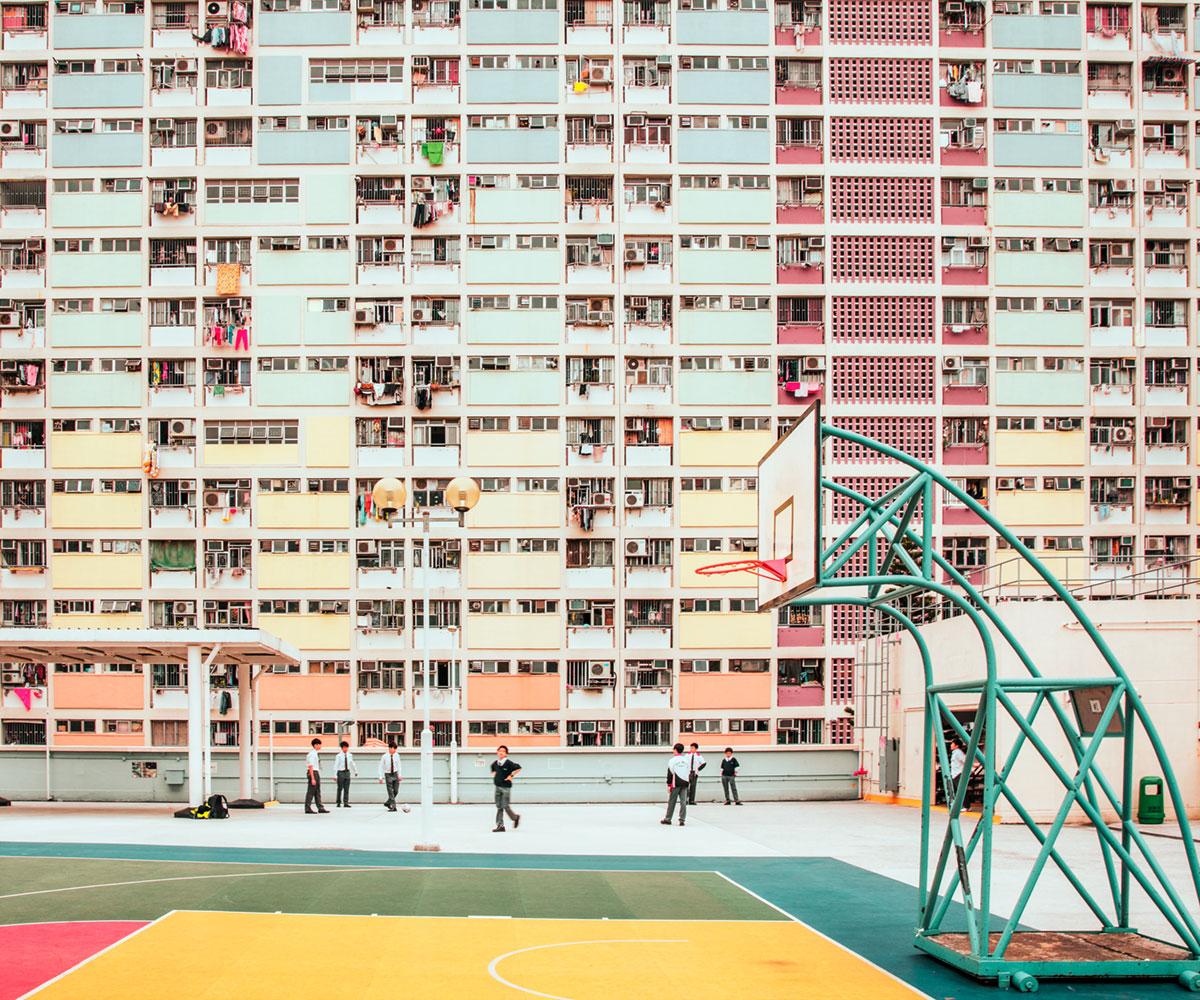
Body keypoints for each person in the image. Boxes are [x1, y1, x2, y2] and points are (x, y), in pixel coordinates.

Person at [490, 745, 521, 832]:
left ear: (506, 754)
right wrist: (496, 776)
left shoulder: (509, 763)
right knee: (499, 807)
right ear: (497, 752)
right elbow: (493, 771)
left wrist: (511, 775)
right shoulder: (495, 763)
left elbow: (519, 768)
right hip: (497, 787)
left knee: (505, 806)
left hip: (506, 787)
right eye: (499, 751)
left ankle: (515, 818)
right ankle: (500, 826)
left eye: (503, 751)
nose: (501, 752)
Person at [662, 743, 691, 827]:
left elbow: (670, 773)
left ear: (675, 750)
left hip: (676, 783)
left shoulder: (672, 760)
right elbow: (689, 771)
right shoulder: (686, 760)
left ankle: (668, 819)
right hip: (685, 783)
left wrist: (669, 784)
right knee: (683, 802)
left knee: (672, 801)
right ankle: (682, 819)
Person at [378, 739, 403, 812]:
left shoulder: (397, 755)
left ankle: (388, 802)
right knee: (390, 792)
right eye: (394, 748)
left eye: (395, 749)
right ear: (390, 748)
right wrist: (380, 777)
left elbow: (399, 766)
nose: (395, 750)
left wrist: (400, 775)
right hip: (388, 774)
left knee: (396, 791)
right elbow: (381, 767)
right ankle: (393, 807)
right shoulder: (384, 756)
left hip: (395, 774)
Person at [305, 738, 328, 814]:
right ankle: (307, 808)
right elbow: (310, 766)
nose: (320, 746)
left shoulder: (315, 753)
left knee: (317, 791)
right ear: (315, 745)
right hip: (313, 772)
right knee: (311, 791)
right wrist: (313, 778)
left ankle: (320, 807)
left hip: (316, 772)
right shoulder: (312, 754)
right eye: (319, 744)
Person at [334, 740, 358, 808]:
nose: (346, 749)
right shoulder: (338, 756)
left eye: (347, 747)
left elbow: (352, 763)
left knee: (346, 788)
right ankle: (338, 802)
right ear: (342, 748)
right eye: (344, 747)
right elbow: (336, 765)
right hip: (340, 772)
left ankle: (346, 802)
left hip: (347, 772)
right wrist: (335, 775)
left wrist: (355, 771)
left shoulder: (349, 755)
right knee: (340, 788)